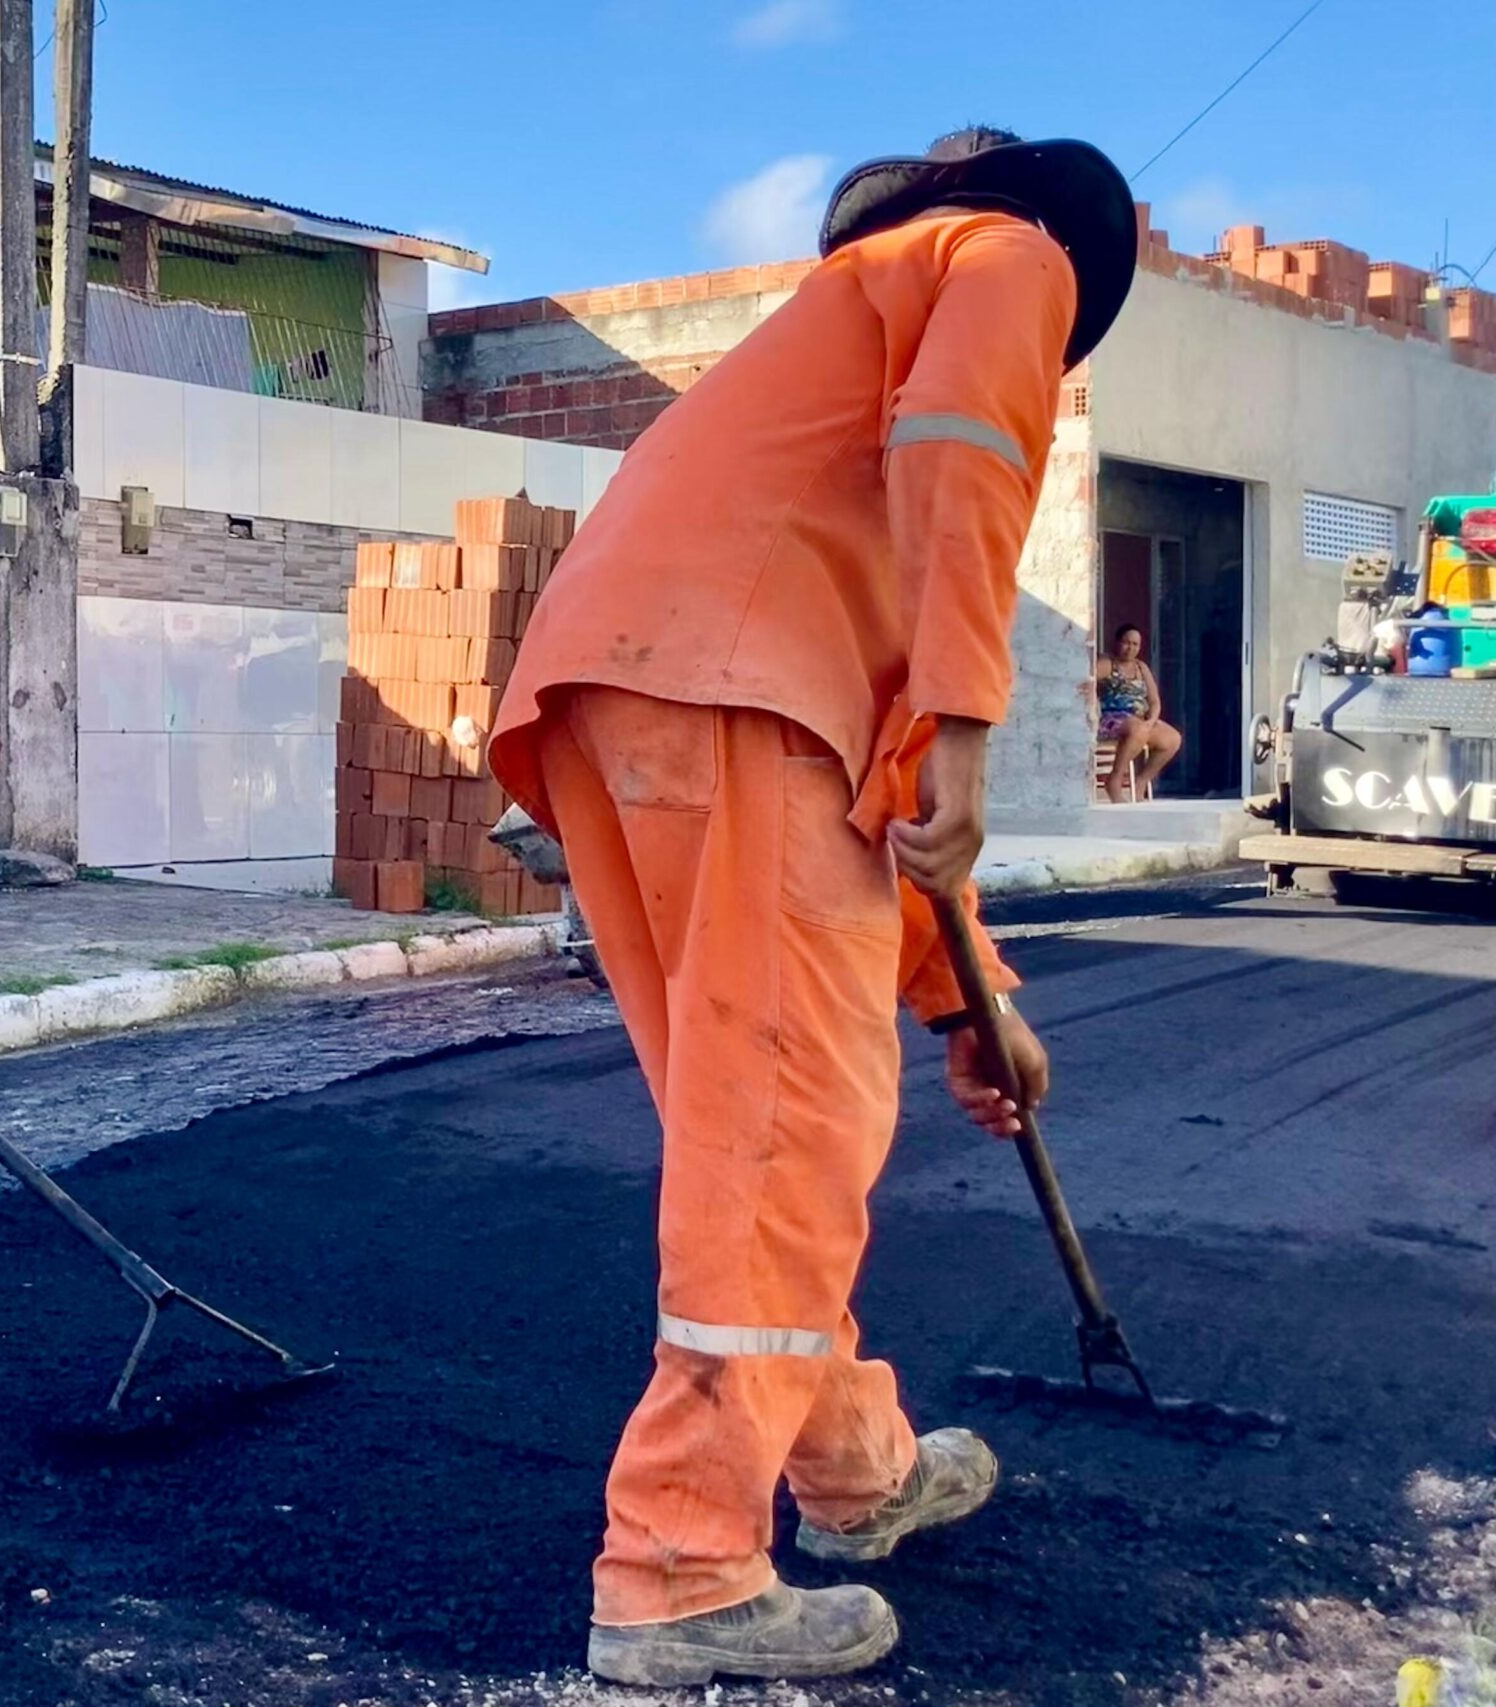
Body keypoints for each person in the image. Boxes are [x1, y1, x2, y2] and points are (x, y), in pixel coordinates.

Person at [488, 129, 1138, 1685]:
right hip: (733, 693)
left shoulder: (822, 348)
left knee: (755, 1128)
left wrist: (966, 1004)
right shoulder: (1002, 255)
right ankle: (677, 1566)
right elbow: (969, 462)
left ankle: (853, 1467)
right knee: (784, 1140)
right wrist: (980, 720)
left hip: (622, 693)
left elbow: (889, 788)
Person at [1088, 625, 1182, 799]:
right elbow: (1086, 680)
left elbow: (1154, 700)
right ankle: (1115, 779)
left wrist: (1152, 720)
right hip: (1112, 719)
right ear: (1116, 642)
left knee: (1172, 739)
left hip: (1140, 720)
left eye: (1135, 644)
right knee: (1138, 729)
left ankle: (1142, 781)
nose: (1130, 648)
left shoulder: (1141, 667)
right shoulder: (1108, 663)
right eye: (1126, 643)